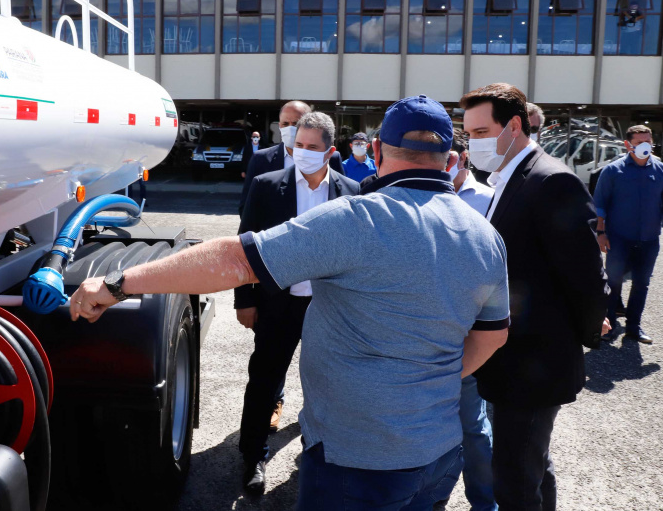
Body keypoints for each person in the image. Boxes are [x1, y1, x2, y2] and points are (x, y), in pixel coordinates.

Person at [70, 94, 511, 509]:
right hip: (439, 454)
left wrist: (117, 283)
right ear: (450, 157)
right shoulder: (485, 236)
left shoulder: (359, 219)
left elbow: (233, 260)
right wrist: (423, 381)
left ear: (376, 149)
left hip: (356, 458)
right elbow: (493, 337)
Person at [461, 83, 610, 511]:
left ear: (514, 125)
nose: (473, 143)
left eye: (481, 131)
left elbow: (586, 275)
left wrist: (586, 329)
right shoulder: (505, 179)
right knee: (530, 467)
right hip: (509, 362)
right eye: (469, 134)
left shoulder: (551, 180)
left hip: (535, 366)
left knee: (515, 481)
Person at [234, 112, 360, 494]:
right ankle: (253, 455)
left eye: (311, 147)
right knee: (265, 379)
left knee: (328, 383)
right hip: (278, 303)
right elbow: (244, 246)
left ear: (330, 151)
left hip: (328, 307)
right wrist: (245, 299)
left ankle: (318, 454)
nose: (302, 152)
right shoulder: (267, 186)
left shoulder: (352, 191)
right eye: (297, 145)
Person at [443, 128, 498, 511]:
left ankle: (484, 502)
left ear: (462, 159)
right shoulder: (421, 198)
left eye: (448, 159)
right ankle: (433, 495)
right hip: (429, 326)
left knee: (474, 428)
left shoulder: (490, 199)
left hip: (471, 328)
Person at [594, 124, 662, 345]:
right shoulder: (613, 171)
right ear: (627, 144)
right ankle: (609, 326)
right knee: (613, 283)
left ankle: (633, 327)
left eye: (648, 142)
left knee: (641, 284)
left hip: (649, 239)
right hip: (619, 238)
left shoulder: (659, 170)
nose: (645, 146)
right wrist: (601, 233)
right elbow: (600, 205)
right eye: (640, 142)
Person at [238, 101, 343, 215]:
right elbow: (247, 207)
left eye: (296, 123)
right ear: (279, 126)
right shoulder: (261, 159)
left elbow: (341, 196)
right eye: (285, 123)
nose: (290, 128)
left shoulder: (330, 157)